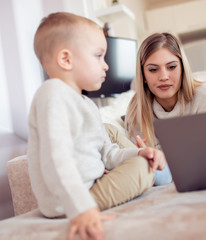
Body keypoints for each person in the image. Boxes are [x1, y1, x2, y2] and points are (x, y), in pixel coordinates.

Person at [28, 12, 166, 240]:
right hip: (67, 202)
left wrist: (139, 151)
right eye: (98, 56)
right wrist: (80, 208)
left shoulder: (87, 104)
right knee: (143, 170)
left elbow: (108, 153)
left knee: (142, 160)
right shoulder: (52, 94)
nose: (106, 66)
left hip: (90, 184)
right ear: (66, 59)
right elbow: (55, 158)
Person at [106, 33, 206, 185]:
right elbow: (151, 163)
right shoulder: (137, 108)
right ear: (144, 75)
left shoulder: (204, 96)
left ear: (182, 68)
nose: (164, 76)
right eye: (153, 70)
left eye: (172, 67)